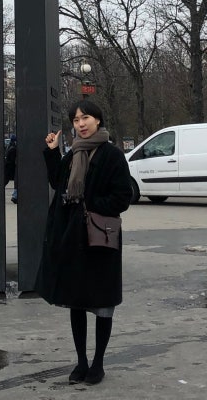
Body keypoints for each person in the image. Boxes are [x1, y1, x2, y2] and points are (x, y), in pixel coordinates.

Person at [36, 100, 132, 386]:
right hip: (73, 238)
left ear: (98, 120)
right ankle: (81, 361)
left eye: (85, 118)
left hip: (99, 237)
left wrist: (88, 204)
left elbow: (122, 198)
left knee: (102, 304)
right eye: (76, 120)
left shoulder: (112, 155)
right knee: (76, 301)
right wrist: (52, 152)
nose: (80, 124)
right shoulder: (74, 153)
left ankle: (98, 363)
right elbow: (58, 183)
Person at [4, 133, 18, 203]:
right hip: (10, 168)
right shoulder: (13, 149)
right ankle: (15, 196)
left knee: (5, 181)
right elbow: (12, 161)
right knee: (5, 181)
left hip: (7, 168)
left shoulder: (9, 147)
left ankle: (15, 196)